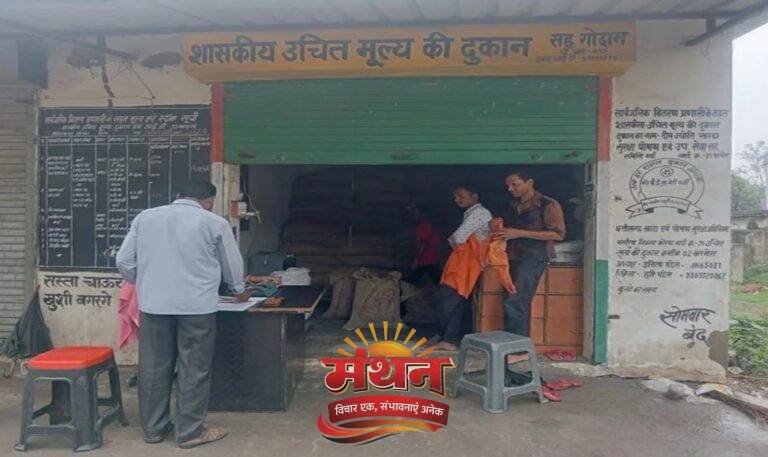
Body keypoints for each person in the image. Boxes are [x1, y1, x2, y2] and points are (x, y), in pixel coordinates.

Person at [116, 181, 248, 449]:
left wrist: (145, 282)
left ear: (178, 196)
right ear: (209, 201)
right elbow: (232, 265)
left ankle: (153, 430)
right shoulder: (214, 223)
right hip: (197, 309)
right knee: (194, 369)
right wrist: (238, 290)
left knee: (153, 369)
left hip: (153, 307)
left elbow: (124, 261)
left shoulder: (145, 218)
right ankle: (189, 432)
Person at [492, 171, 566, 364]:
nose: (510, 189)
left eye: (515, 184)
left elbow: (558, 234)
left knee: (516, 301)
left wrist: (519, 233)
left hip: (534, 257)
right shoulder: (512, 204)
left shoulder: (548, 204)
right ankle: (512, 347)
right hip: (514, 256)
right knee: (511, 300)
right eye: (508, 186)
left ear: (530, 182)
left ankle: (520, 350)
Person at [428, 184, 493, 352]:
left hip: (465, 264)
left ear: (474, 196)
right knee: (454, 301)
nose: (456, 199)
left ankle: (445, 337)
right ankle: (445, 338)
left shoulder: (480, 213)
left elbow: (458, 237)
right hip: (462, 263)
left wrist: (454, 247)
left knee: (447, 298)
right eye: (455, 196)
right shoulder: (472, 213)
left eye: (461, 196)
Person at [404, 204, 442, 284]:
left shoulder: (424, 225)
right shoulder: (428, 224)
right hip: (432, 259)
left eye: (415, 212)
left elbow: (423, 243)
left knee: (412, 280)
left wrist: (416, 260)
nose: (414, 214)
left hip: (426, 259)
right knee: (438, 279)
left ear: (422, 214)